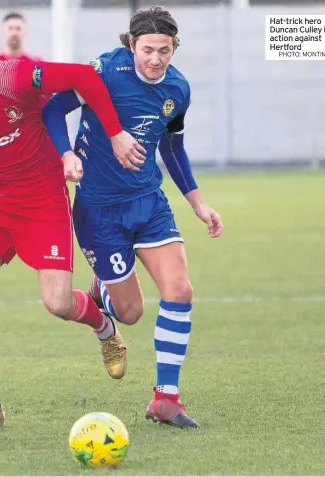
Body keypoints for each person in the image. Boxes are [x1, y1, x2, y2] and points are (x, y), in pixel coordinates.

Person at [0, 28, 145, 430]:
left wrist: (115, 131)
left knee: (58, 304)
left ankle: (104, 328)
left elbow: (84, 77)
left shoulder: (17, 76)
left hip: (42, 198)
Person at [42, 5, 224, 428]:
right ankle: (103, 295)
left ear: (175, 47)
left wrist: (198, 203)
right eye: (147, 50)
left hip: (148, 202)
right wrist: (67, 153)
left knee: (179, 289)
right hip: (99, 209)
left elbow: (172, 148)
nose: (155, 59)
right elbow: (52, 108)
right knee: (131, 312)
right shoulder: (105, 70)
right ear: (131, 44)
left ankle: (166, 397)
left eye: (164, 50)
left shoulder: (178, 89)